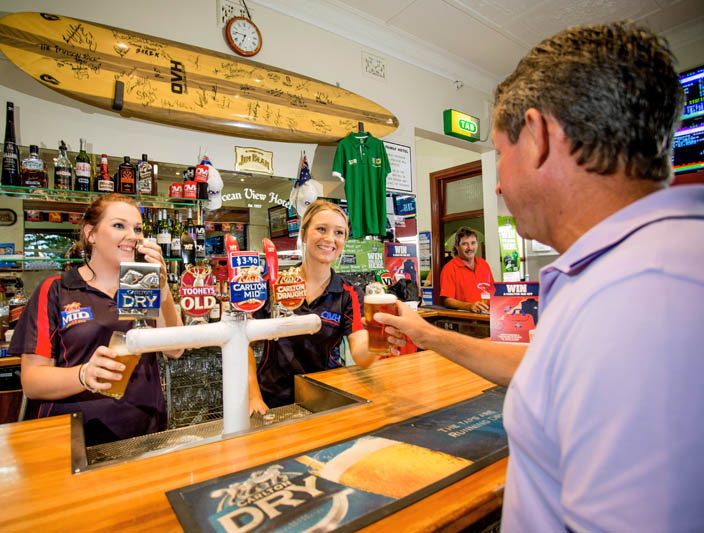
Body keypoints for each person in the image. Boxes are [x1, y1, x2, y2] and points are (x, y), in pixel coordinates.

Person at [375, 22, 704, 532]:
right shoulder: (624, 270)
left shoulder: (643, 299)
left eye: (502, 153)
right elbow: (548, 370)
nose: (500, 184)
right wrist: (427, 334)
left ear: (539, 136)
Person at [9, 194, 183, 446]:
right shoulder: (58, 289)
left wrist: (163, 287)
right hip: (77, 436)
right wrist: (83, 374)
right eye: (118, 225)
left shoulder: (139, 281)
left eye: (137, 229)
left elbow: (175, 348)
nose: (132, 236)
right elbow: (32, 381)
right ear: (90, 234)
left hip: (145, 430)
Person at [248, 200, 375, 413]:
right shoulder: (273, 285)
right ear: (304, 234)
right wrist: (253, 397)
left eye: (339, 233)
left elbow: (361, 354)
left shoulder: (349, 293)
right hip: (272, 399)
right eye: (321, 229)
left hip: (325, 396)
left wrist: (380, 341)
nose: (330, 239)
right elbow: (245, 343)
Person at [439, 227, 494, 312]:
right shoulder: (449, 268)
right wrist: (469, 306)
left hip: (488, 319)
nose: (470, 248)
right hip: (466, 321)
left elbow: (493, 291)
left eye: (473, 243)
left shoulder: (483, 264)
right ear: (456, 246)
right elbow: (447, 301)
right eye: (465, 244)